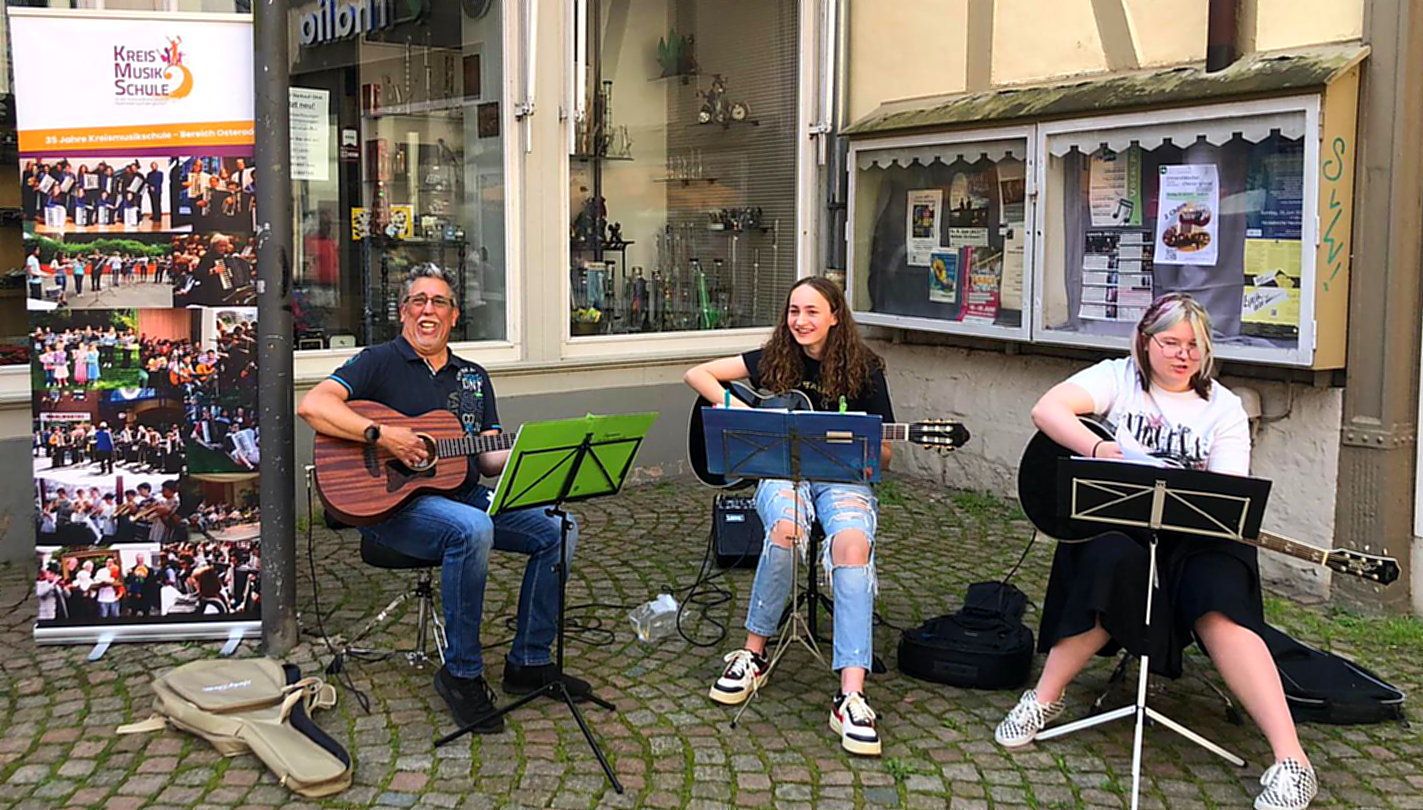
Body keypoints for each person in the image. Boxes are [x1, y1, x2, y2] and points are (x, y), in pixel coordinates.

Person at [993, 293, 1316, 810]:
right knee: (1108, 565)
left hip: (1198, 536)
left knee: (1221, 607)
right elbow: (1046, 409)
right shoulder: (1118, 378)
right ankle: (1042, 701)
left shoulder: (1225, 408)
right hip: (1122, 525)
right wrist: (1099, 450)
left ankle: (1292, 761)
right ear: (1146, 344)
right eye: (1170, 342)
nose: (1182, 354)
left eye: (1194, 345)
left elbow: (1228, 496)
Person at [297, 262, 589, 733]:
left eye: (439, 302)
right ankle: (461, 673)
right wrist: (383, 436)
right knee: (472, 528)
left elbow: (488, 457)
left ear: (454, 316)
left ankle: (529, 661)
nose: (428, 310)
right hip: (391, 507)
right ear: (402, 311)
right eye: (419, 301)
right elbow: (313, 405)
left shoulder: (473, 378)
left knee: (559, 529)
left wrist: (530, 454)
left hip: (464, 491)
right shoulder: (378, 361)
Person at [683, 276, 894, 756]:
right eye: (794, 310)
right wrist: (749, 414)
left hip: (843, 478)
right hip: (781, 473)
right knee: (785, 530)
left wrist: (856, 441)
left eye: (812, 311)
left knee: (852, 546)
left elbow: (883, 453)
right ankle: (752, 654)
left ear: (835, 316)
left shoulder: (865, 369)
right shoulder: (774, 357)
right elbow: (698, 374)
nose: (800, 320)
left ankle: (851, 694)